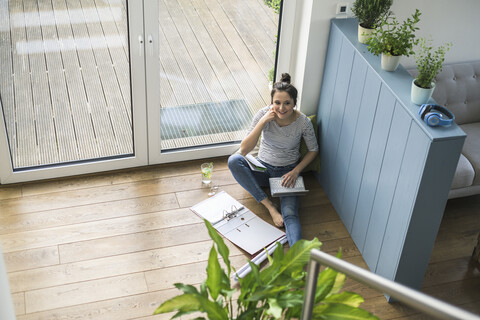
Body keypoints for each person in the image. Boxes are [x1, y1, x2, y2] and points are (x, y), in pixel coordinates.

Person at [228, 73, 319, 246]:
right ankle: (269, 206)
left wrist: (296, 171)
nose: (281, 108)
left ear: (294, 103)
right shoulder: (263, 114)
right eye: (277, 103)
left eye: (287, 103)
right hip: (262, 168)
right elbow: (244, 150)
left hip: (286, 174)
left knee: (291, 214)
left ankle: (296, 258)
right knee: (233, 161)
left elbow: (313, 150)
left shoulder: (303, 122)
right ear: (271, 102)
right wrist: (262, 122)